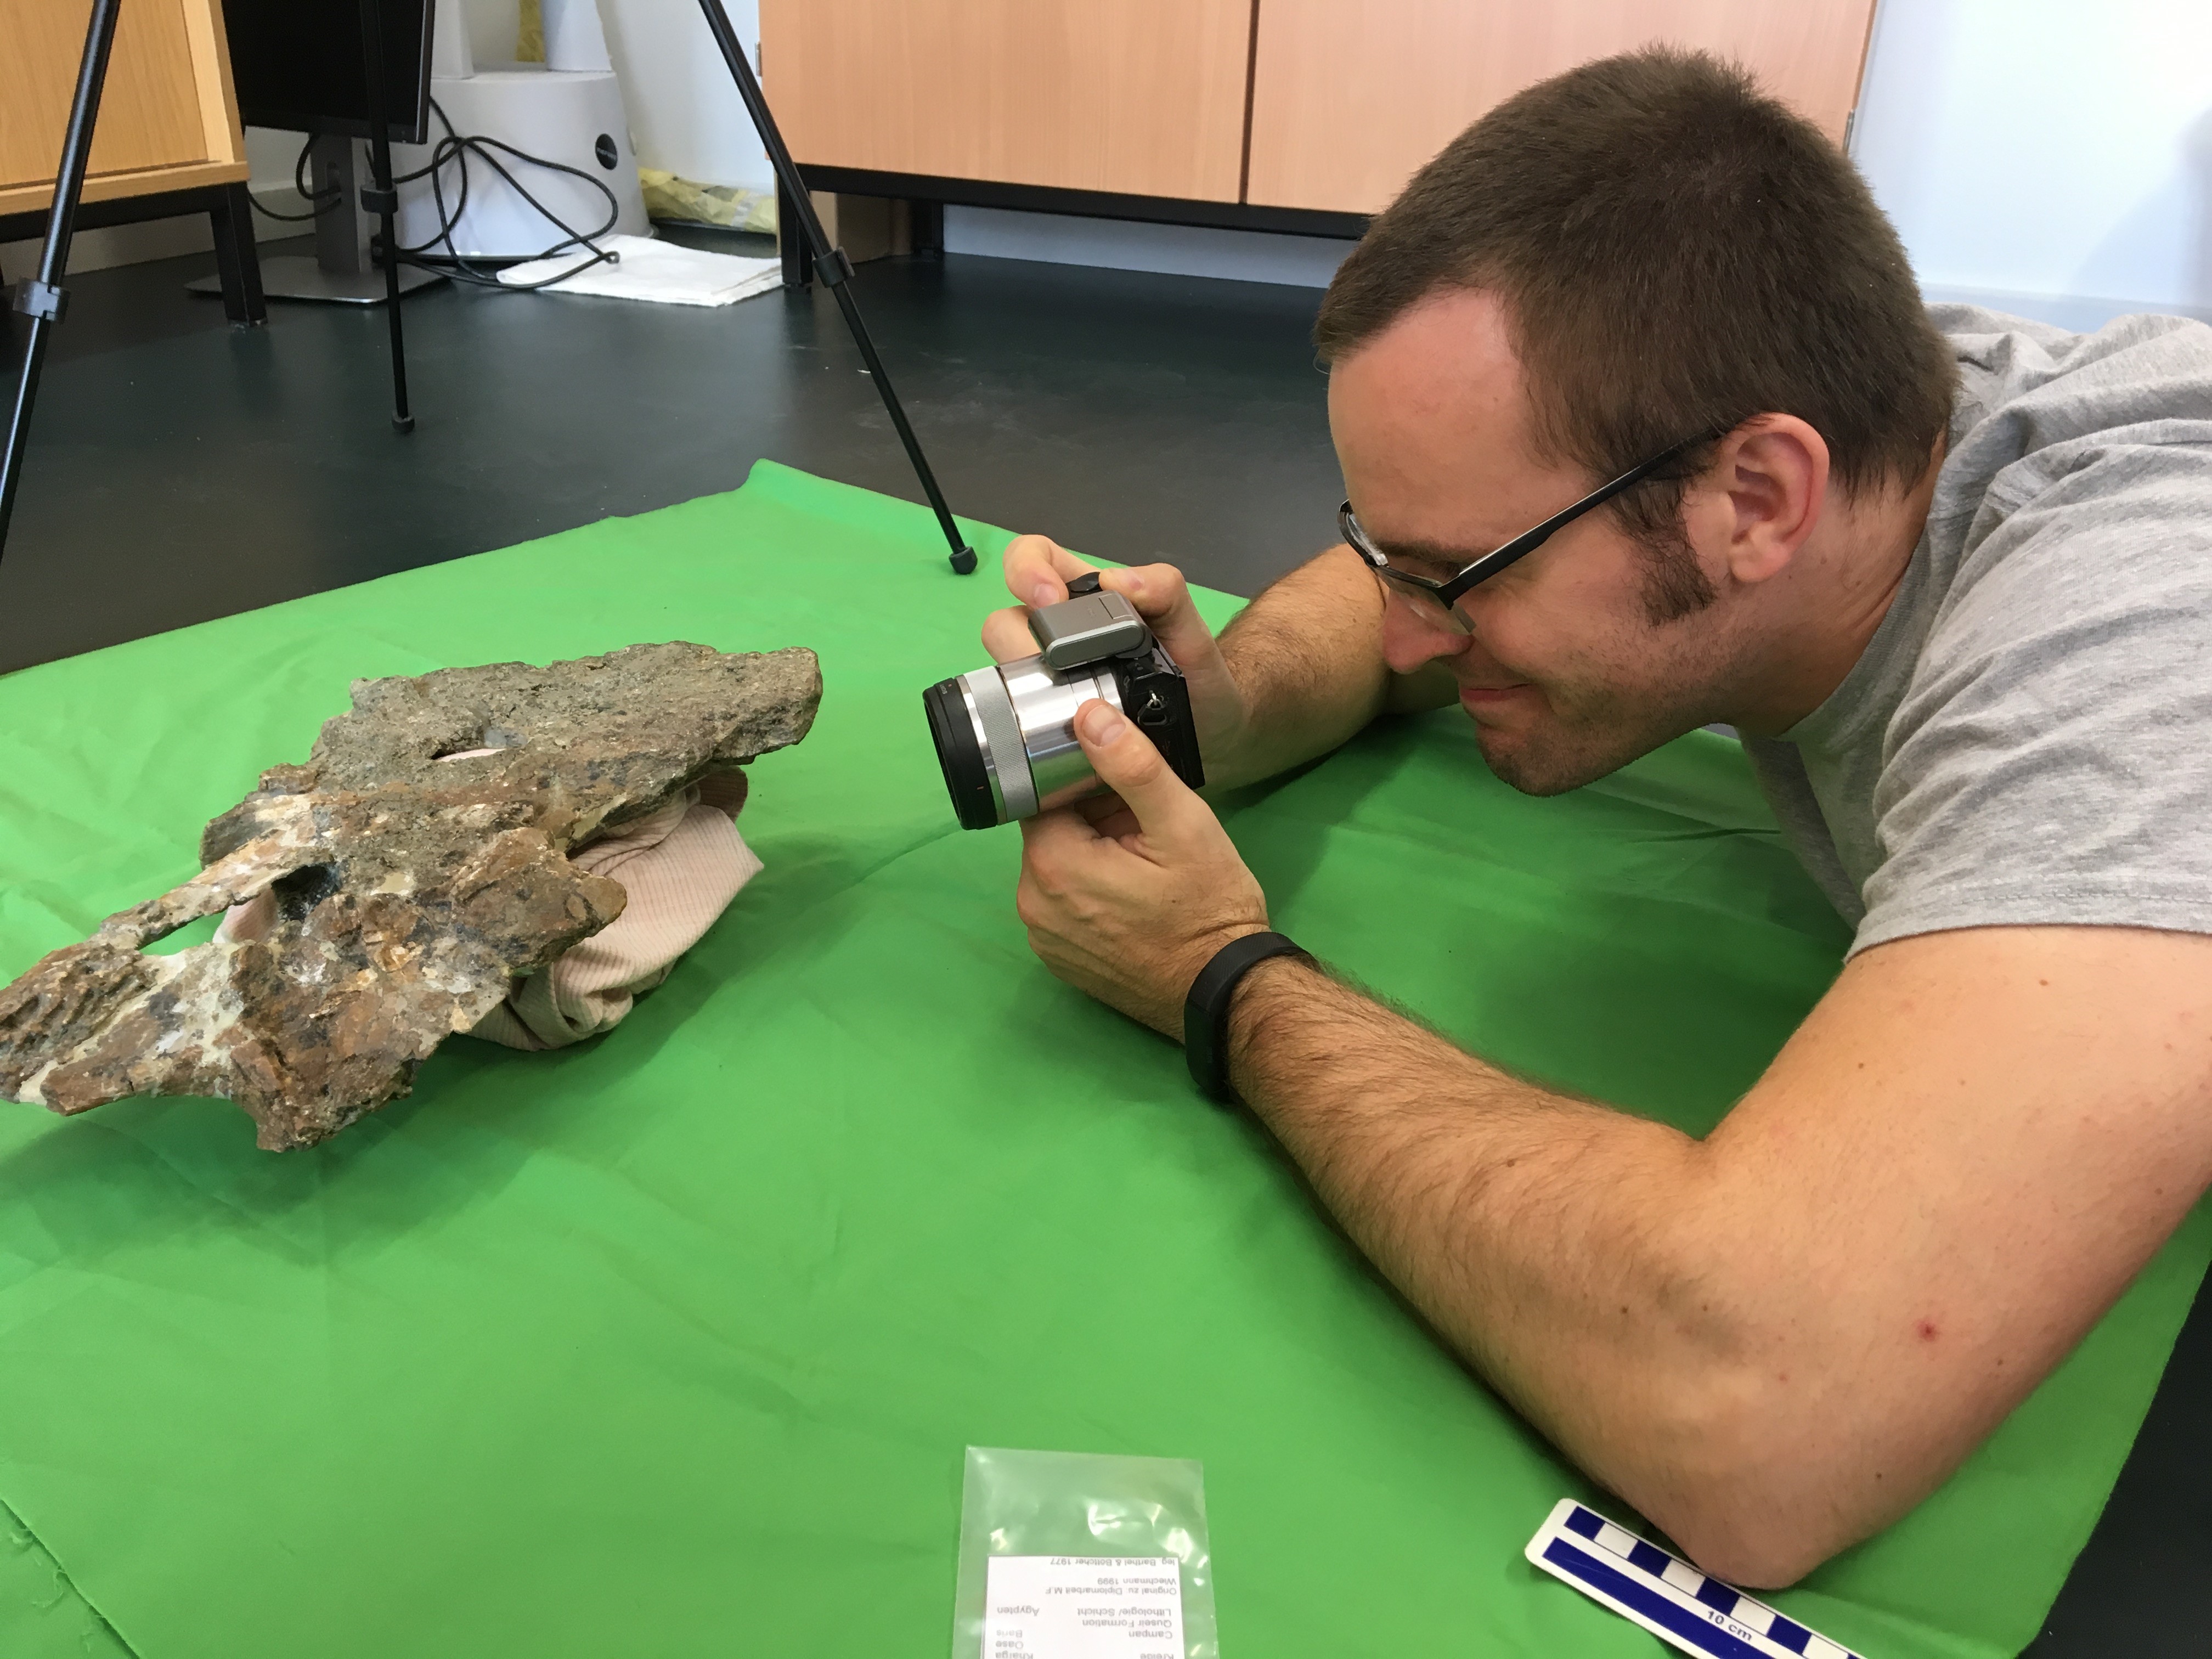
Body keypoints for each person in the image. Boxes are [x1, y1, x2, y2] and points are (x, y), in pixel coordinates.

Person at [979, 49, 2212, 1587]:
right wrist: (1231, 709)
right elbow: (1389, 602)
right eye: (1397, 555)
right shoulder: (1851, 401)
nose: (1414, 629)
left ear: (1759, 503)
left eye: (1463, 576)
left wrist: (1225, 977)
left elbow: (1761, 1412)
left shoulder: (2143, 638)